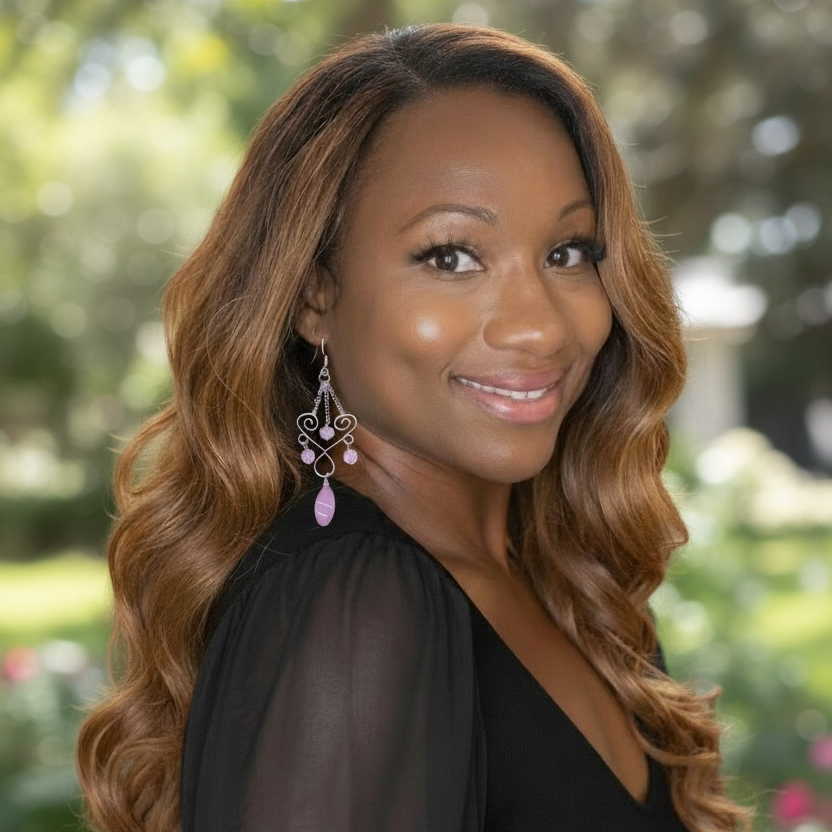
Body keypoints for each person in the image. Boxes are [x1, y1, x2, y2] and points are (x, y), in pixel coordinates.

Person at [76, 22, 751, 832]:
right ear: (314, 297)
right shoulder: (357, 608)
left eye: (568, 251)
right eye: (451, 257)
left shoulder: (565, 579)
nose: (539, 327)